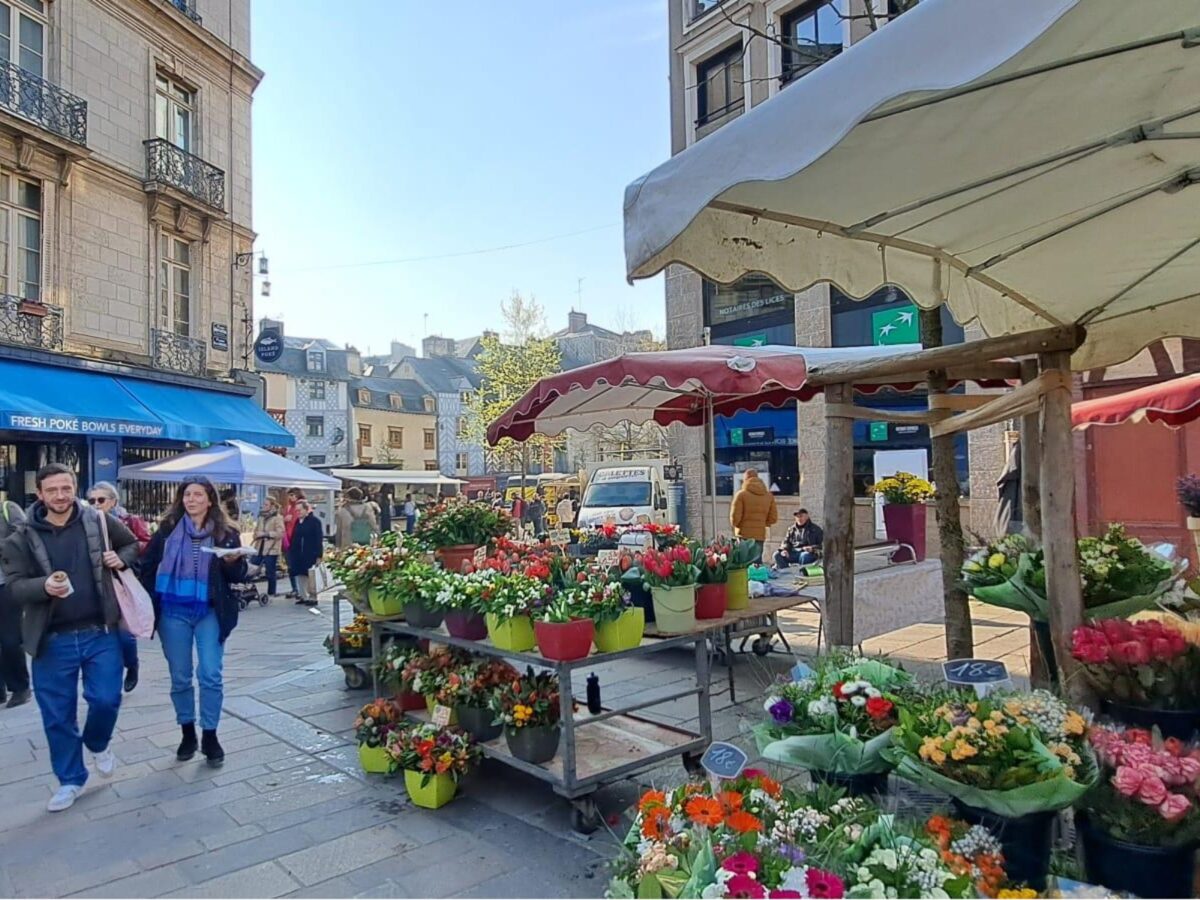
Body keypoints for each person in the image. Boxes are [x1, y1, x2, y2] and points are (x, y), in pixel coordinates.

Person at [0, 463, 139, 811]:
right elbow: (14, 587)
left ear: (74, 487)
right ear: (41, 494)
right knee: (57, 715)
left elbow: (132, 545)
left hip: (100, 630)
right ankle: (70, 779)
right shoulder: (21, 536)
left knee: (106, 699)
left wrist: (119, 560)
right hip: (51, 639)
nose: (60, 496)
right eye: (52, 490)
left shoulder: (98, 520)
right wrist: (43, 587)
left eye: (66, 488)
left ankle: (97, 741)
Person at [138, 478, 248, 769]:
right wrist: (146, 600)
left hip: (210, 611)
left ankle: (210, 734)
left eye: (198, 495)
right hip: (173, 612)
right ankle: (188, 732)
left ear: (210, 500)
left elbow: (239, 575)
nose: (192, 500)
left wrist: (231, 562)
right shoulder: (167, 530)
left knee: (211, 673)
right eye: (187, 494)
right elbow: (146, 566)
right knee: (180, 676)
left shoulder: (226, 533)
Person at [86, 482, 151, 693]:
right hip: (97, 585)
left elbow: (142, 543)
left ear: (113, 501)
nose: (96, 504)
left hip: (123, 580)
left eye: (101, 500)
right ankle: (109, 680)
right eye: (92, 501)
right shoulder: (86, 522)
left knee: (125, 633)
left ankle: (132, 664)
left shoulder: (128, 520)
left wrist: (120, 557)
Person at [0, 495, 29, 709]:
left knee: (10, 639)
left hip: (7, 584)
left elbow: (22, 535)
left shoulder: (7, 508)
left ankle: (20, 687)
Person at [730, 468, 778, 564]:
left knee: (743, 563)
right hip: (760, 534)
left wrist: (737, 526)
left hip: (743, 535)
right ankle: (758, 578)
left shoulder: (741, 495)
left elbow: (735, 518)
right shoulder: (769, 496)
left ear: (745, 479)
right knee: (757, 563)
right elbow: (773, 518)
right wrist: (763, 523)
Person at [287, 500, 324, 608]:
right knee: (300, 574)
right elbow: (294, 537)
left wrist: (319, 555)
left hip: (310, 552)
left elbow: (318, 539)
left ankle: (313, 597)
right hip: (298, 554)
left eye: (300, 510)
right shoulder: (297, 522)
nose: (298, 512)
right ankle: (303, 596)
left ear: (306, 510)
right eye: (296, 511)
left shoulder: (315, 521)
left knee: (310, 576)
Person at [251, 496, 284, 597]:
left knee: (270, 571)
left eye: (266, 505)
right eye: (263, 504)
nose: (264, 507)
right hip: (259, 547)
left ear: (272, 506)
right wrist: (256, 534)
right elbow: (257, 529)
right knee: (252, 568)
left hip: (271, 548)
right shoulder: (261, 516)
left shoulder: (277, 517)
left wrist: (266, 534)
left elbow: (280, 533)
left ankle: (271, 592)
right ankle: (249, 590)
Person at [281, 488, 304, 597]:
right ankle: (294, 588)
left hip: (296, 540)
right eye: (289, 495)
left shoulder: (300, 507)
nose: (290, 498)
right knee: (290, 566)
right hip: (287, 540)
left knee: (297, 565)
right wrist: (284, 520)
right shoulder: (287, 508)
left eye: (292, 495)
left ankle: (300, 589)